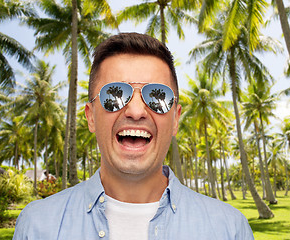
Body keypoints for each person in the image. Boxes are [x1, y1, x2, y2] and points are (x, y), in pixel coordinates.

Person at [13, 32, 254, 240]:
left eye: (158, 96)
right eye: (114, 95)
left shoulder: (229, 229)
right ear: (91, 117)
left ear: (175, 118)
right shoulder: (36, 226)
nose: (136, 111)